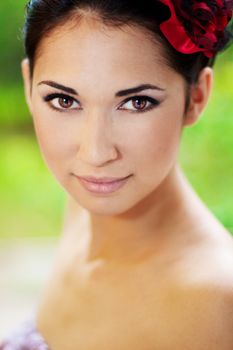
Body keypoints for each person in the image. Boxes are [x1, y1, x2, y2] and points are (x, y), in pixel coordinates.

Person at [1, 0, 233, 349]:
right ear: (28, 84)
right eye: (64, 101)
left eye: (137, 102)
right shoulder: (83, 207)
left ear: (197, 96)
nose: (95, 154)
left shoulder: (216, 304)